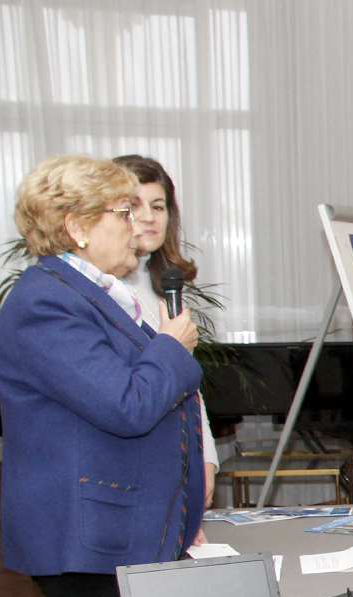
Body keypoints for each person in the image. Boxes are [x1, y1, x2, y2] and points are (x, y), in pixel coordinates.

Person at [0, 155, 205, 597]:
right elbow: (127, 404)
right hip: (85, 540)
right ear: (78, 227)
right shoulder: (46, 301)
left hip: (116, 529)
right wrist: (170, 349)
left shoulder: (92, 294)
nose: (137, 226)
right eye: (122, 211)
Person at [113, 155, 220, 519]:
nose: (148, 217)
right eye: (133, 206)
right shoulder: (105, 289)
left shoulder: (164, 285)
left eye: (158, 206)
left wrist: (206, 456)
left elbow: (186, 379)